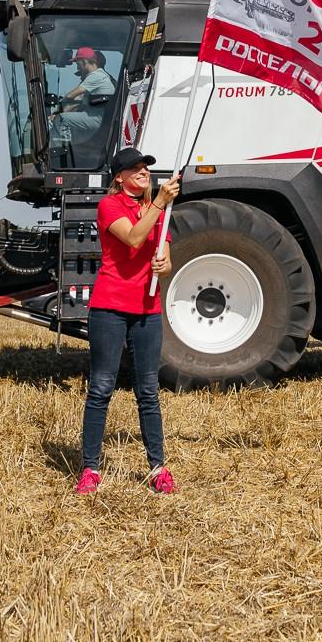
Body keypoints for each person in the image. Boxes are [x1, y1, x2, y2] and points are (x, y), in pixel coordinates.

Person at [75, 147, 181, 495]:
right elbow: (134, 238)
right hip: (110, 307)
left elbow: (165, 259)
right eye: (135, 168)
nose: (143, 171)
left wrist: (164, 265)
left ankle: (158, 468)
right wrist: (159, 203)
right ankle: (90, 469)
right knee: (101, 387)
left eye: (145, 167)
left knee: (148, 391)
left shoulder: (159, 212)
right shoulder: (110, 206)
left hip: (148, 309)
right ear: (119, 177)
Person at [51, 47, 118, 161]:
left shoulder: (95, 76)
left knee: (61, 120)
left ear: (85, 62)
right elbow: (77, 103)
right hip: (99, 118)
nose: (78, 68)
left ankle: (63, 154)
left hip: (98, 119)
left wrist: (57, 109)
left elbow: (71, 95)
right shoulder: (100, 76)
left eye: (78, 64)